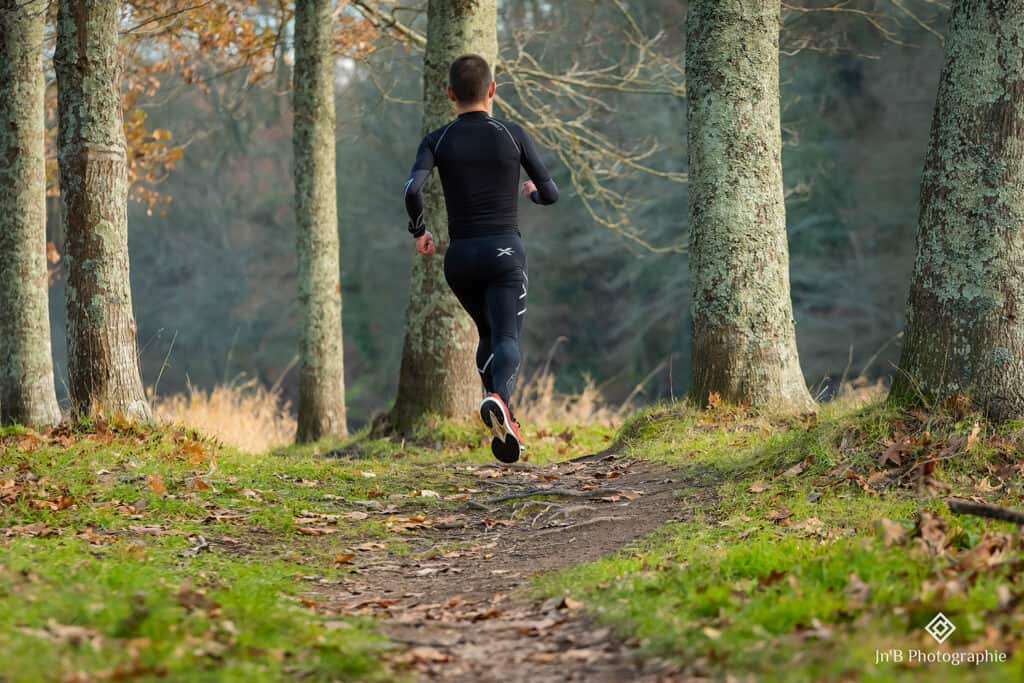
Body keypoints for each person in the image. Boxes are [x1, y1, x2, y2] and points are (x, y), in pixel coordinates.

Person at [403, 54, 558, 463]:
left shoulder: (436, 140)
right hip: (504, 252)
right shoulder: (512, 134)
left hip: (460, 258)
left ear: (450, 94)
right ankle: (499, 400)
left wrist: (420, 231)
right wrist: (533, 194)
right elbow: (551, 193)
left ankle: (507, 425)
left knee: (487, 334)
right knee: (506, 338)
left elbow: (412, 191)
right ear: (491, 90)